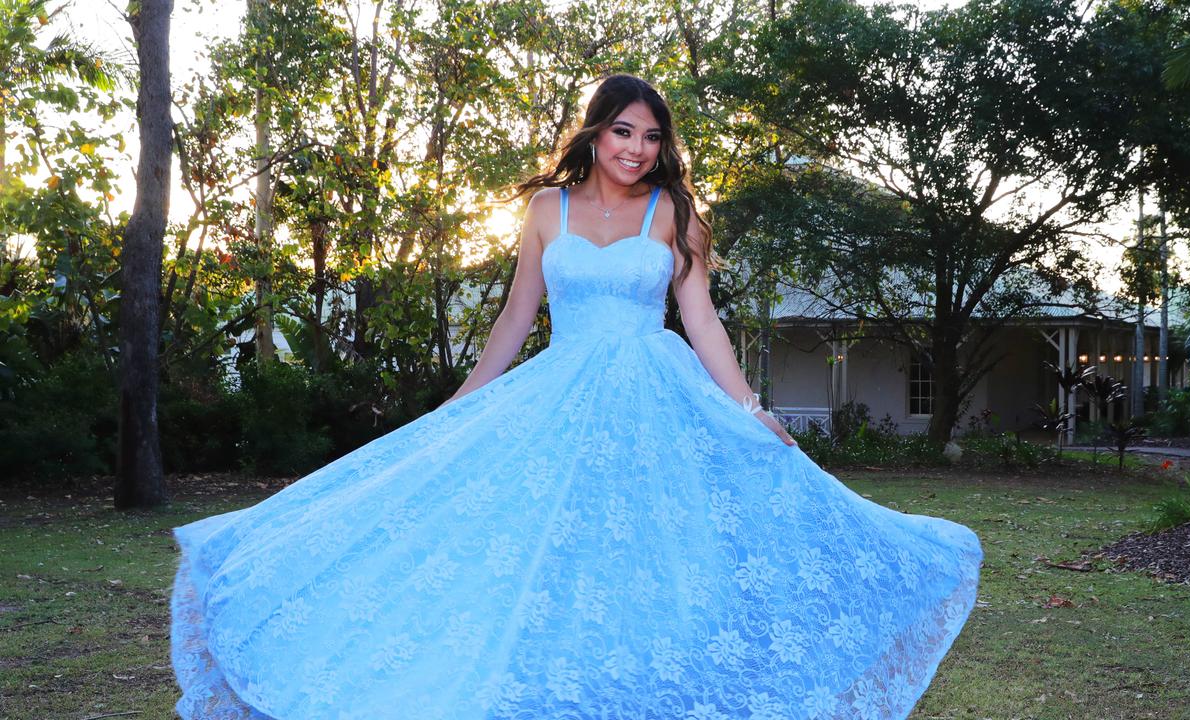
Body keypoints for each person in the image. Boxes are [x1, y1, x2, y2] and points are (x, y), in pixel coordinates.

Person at [170, 74, 983, 720]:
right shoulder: (543, 210)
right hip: (559, 397)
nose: (636, 148)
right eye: (622, 131)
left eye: (651, 136)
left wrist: (747, 408)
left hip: (653, 397)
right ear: (594, 132)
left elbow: (701, 322)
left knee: (655, 547)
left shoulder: (676, 216)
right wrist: (461, 405)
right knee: (546, 546)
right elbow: (517, 317)